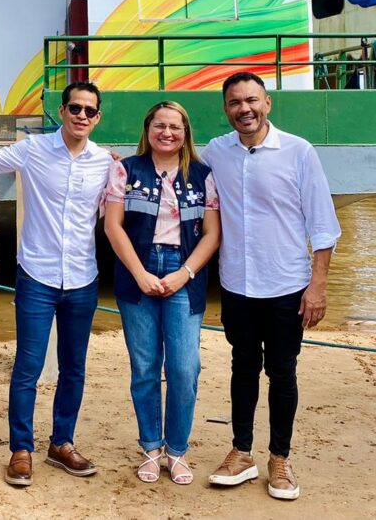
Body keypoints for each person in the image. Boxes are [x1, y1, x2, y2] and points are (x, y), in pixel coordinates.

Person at [201, 71, 341, 502]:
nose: (244, 109)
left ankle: (280, 458)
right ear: (226, 109)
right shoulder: (216, 152)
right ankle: (242, 452)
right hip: (237, 284)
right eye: (235, 102)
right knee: (242, 367)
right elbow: (173, 165)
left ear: (267, 104)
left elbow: (323, 224)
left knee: (283, 372)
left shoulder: (298, 151)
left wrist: (317, 287)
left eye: (252, 100)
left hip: (286, 285)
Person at [0, 81, 114, 487]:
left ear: (97, 117)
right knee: (28, 366)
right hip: (37, 275)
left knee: (74, 367)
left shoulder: (105, 162)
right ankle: (21, 449)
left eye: (90, 111)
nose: (82, 116)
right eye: (75, 108)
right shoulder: (33, 149)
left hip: (82, 278)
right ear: (62, 111)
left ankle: (62, 443)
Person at [104, 101, 221, 486]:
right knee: (145, 366)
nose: (167, 133)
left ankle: (178, 449)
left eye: (175, 127)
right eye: (160, 125)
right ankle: (151, 448)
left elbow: (212, 234)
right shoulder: (125, 170)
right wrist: (138, 273)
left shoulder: (203, 175)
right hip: (137, 270)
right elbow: (113, 226)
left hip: (183, 271)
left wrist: (184, 274)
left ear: (185, 134)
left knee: (185, 368)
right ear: (148, 129)